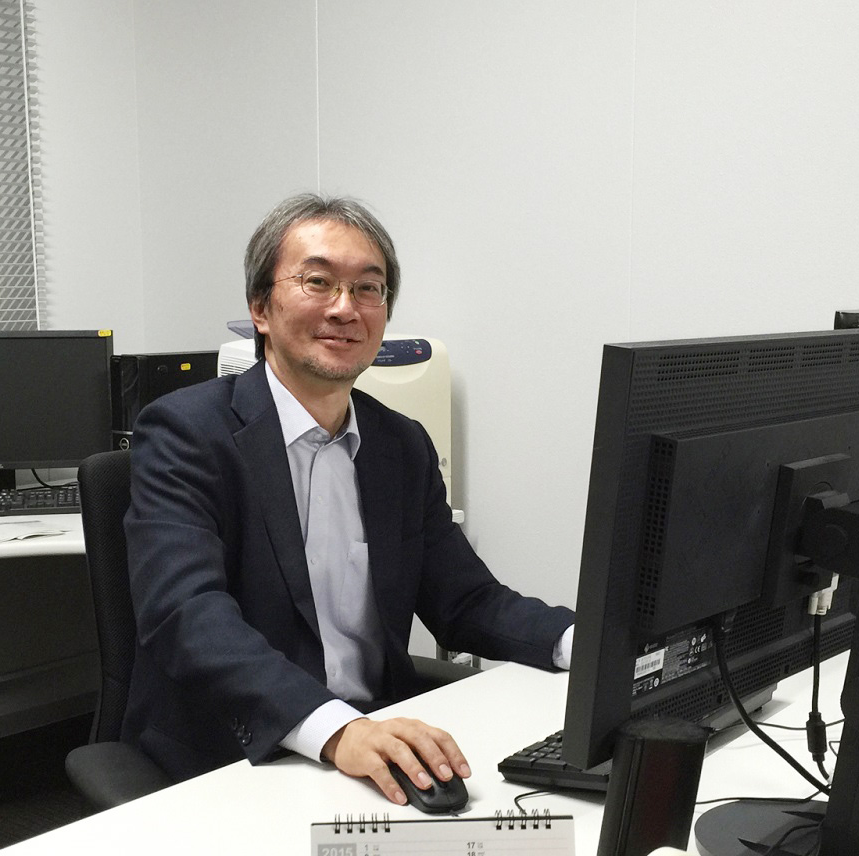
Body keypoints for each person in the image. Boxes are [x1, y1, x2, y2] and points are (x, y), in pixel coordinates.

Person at [123, 193, 575, 805]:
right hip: (238, 753)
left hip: (373, 738)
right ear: (260, 307)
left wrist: (584, 644)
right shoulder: (186, 433)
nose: (345, 308)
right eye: (318, 282)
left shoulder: (400, 444)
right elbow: (187, 614)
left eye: (369, 289)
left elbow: (465, 600)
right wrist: (336, 729)